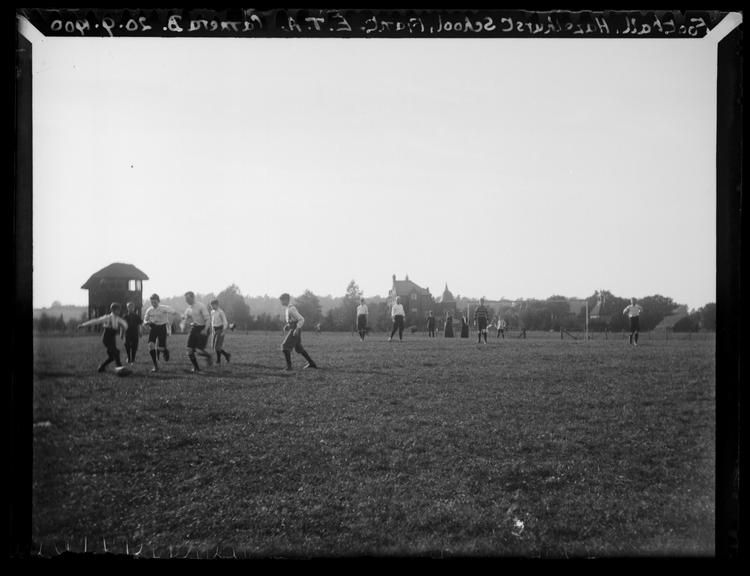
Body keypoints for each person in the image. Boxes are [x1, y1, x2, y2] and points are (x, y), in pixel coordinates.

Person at [77, 303, 129, 372]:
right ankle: (120, 369)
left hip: (112, 339)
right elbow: (96, 321)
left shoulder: (118, 319)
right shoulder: (107, 317)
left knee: (112, 357)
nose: (119, 312)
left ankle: (101, 367)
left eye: (119, 310)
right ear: (112, 310)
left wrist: (125, 327)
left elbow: (124, 324)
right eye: (117, 310)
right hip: (106, 338)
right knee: (116, 352)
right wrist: (83, 325)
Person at [280, 293, 318, 370]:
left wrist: (296, 329)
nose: (281, 302)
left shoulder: (291, 308)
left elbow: (301, 319)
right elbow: (293, 320)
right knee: (299, 348)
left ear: (286, 300)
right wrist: (288, 325)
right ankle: (312, 363)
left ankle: (289, 367)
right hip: (294, 328)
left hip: (295, 330)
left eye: (282, 300)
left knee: (285, 346)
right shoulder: (288, 309)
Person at [142, 293, 176, 372]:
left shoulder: (164, 308)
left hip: (162, 328)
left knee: (160, 348)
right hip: (153, 328)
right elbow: (145, 319)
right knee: (150, 345)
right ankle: (155, 366)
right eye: (152, 302)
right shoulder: (149, 310)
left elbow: (173, 312)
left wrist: (170, 321)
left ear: (158, 301)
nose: (153, 304)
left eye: (155, 302)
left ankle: (165, 351)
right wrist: (146, 322)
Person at [183, 291, 214, 372]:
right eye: (186, 299)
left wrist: (205, 329)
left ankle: (208, 357)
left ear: (193, 297)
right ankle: (196, 368)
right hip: (195, 328)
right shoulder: (188, 308)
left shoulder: (200, 306)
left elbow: (207, 319)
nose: (187, 301)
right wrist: (185, 322)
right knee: (189, 349)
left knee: (198, 350)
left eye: (188, 299)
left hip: (203, 328)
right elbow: (187, 318)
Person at [210, 299, 232, 364]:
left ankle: (218, 361)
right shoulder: (212, 312)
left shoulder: (221, 312)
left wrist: (224, 330)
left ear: (217, 305)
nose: (211, 307)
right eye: (211, 305)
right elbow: (212, 321)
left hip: (220, 330)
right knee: (214, 347)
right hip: (214, 330)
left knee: (217, 346)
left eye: (213, 305)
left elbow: (225, 322)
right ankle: (227, 355)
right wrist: (212, 330)